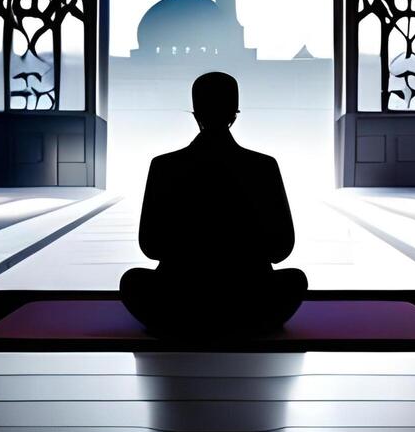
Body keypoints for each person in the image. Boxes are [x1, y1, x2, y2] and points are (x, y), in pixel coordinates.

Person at [120, 71, 308, 337]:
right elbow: (281, 248)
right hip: (251, 300)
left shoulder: (165, 166)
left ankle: (185, 323)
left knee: (133, 282)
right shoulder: (263, 167)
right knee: (294, 280)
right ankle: (243, 322)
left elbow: (150, 246)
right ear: (235, 113)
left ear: (196, 113)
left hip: (178, 300)